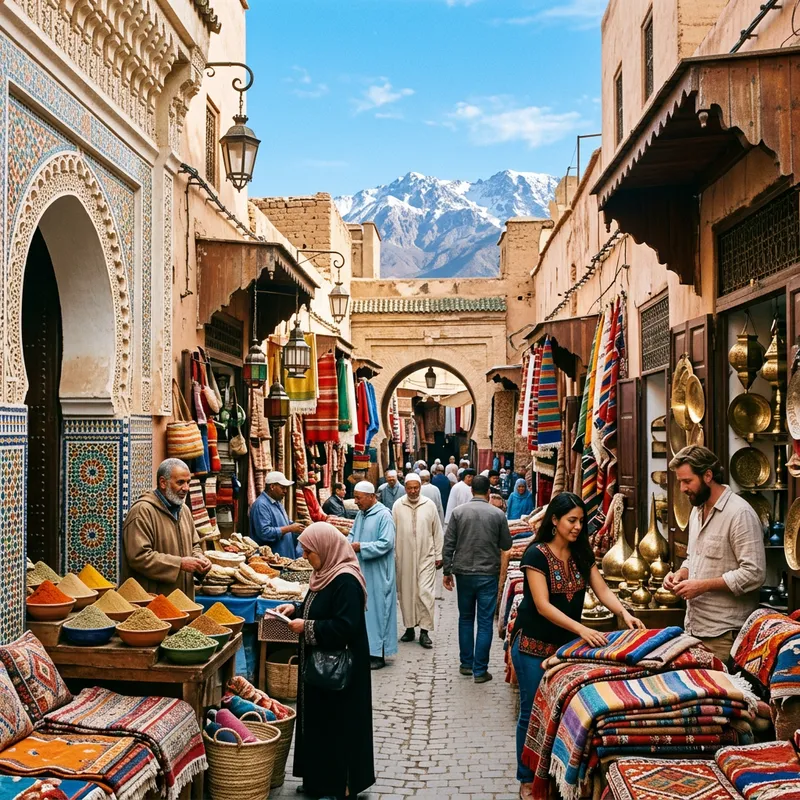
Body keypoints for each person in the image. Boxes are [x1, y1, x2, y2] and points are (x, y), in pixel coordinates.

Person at [509, 492, 644, 798]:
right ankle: (526, 778)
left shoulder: (581, 554)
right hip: (531, 646)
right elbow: (543, 605)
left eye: (581, 521)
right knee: (532, 711)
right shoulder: (536, 555)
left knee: (562, 710)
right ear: (554, 521)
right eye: (572, 520)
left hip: (564, 649)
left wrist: (624, 613)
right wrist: (582, 629)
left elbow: (602, 589)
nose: (578, 526)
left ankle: (554, 773)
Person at [276, 523, 374, 800]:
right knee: (318, 721)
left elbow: (346, 625)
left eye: (309, 551)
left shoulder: (346, 580)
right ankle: (318, 779)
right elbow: (318, 605)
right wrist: (295, 608)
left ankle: (338, 786)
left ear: (325, 549)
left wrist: (307, 627)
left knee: (336, 725)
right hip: (319, 665)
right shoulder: (324, 574)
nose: (306, 556)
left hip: (340, 669)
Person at [664, 445, 766, 663]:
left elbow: (754, 573)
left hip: (725, 634)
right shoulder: (696, 510)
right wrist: (681, 573)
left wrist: (703, 585)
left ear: (708, 475)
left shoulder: (739, 513)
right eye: (680, 481)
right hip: (695, 627)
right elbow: (694, 556)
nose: (682, 488)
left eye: (687, 481)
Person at [442, 475, 512, 683]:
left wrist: (447, 571)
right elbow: (506, 544)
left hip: (463, 573)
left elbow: (449, 544)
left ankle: (466, 664)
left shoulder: (458, 512)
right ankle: (480, 670)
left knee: (465, 618)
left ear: (471, 490)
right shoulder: (497, 515)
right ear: (489, 492)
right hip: (487, 573)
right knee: (483, 622)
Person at [122, 458, 211, 598]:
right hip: (152, 601)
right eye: (180, 482)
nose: (186, 488)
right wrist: (179, 563)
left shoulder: (184, 510)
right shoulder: (142, 511)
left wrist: (199, 559)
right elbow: (139, 557)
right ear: (163, 483)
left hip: (183, 599)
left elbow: (195, 545)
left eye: (188, 482)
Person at [349, 480, 398, 669]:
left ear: (371, 497)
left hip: (379, 571)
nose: (356, 502)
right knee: (366, 612)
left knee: (379, 611)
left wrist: (361, 547)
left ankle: (379, 654)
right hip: (363, 569)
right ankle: (367, 650)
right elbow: (353, 534)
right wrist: (348, 544)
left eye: (358, 498)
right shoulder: (361, 514)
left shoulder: (384, 515)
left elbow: (386, 543)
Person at [393, 473, 443, 649]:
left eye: (416, 488)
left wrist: (439, 555)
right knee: (406, 593)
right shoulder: (398, 506)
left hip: (426, 556)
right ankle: (409, 628)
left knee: (425, 593)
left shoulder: (429, 505)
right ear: (405, 488)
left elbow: (437, 531)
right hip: (404, 556)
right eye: (410, 488)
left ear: (421, 487)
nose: (413, 491)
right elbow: (393, 532)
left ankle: (424, 631)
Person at [249, 471, 304, 557]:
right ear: (272, 486)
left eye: (286, 488)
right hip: (272, 561)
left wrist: (298, 528)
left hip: (284, 558)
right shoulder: (261, 505)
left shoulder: (277, 502)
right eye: (282, 488)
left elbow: (284, 523)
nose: (285, 491)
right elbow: (264, 533)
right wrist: (289, 528)